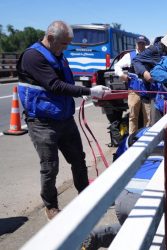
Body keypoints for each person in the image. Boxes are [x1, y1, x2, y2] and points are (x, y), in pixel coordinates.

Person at [17, 20, 110, 221]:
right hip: (42, 121)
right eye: (64, 44)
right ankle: (51, 206)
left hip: (64, 118)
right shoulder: (33, 57)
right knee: (50, 166)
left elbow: (67, 84)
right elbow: (54, 85)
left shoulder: (58, 55)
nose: (66, 48)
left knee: (78, 159)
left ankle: (85, 195)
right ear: (50, 38)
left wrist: (87, 91)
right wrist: (88, 91)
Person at [132, 30, 167, 124]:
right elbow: (136, 60)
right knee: (157, 122)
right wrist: (144, 73)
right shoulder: (154, 50)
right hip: (157, 91)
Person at [114, 36, 149, 134]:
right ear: (136, 44)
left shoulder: (149, 55)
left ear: (145, 44)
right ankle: (131, 139)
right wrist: (122, 75)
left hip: (147, 91)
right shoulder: (129, 56)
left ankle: (148, 139)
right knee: (133, 116)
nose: (141, 45)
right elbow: (117, 66)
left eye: (142, 43)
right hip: (134, 90)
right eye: (139, 43)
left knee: (149, 117)